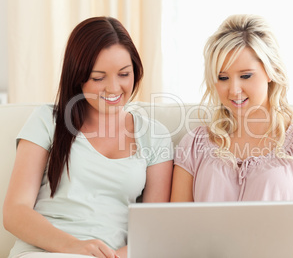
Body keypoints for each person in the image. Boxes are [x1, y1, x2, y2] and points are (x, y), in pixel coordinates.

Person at [3, 17, 173, 258]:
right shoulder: (48, 120)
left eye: (124, 74)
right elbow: (15, 212)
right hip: (42, 252)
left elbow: (154, 230)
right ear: (77, 76)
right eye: (98, 78)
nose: (114, 89)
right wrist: (75, 247)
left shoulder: (155, 137)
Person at [171, 14, 293, 258]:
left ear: (271, 72)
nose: (234, 89)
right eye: (223, 78)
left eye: (246, 76)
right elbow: (175, 231)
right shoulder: (193, 144)